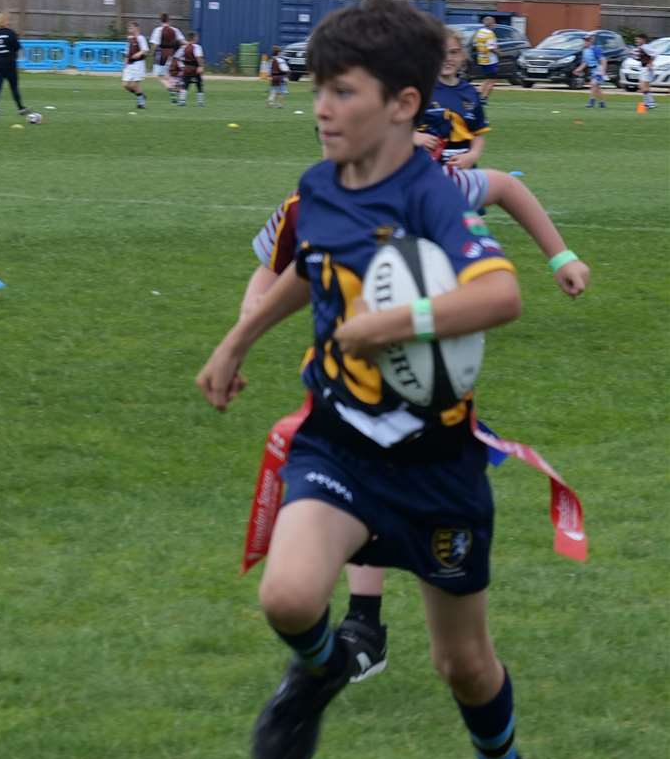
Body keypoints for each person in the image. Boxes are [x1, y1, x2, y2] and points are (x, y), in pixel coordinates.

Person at [197, 0, 537, 759]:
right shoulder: (317, 188)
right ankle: (320, 671)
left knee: (461, 665)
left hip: (436, 466)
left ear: (401, 104)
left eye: (342, 91)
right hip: (338, 440)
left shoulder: (432, 194)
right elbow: (306, 268)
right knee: (287, 598)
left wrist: (394, 324)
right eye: (318, 88)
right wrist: (237, 341)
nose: (320, 107)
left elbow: (499, 295)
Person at [240, 134, 591, 687]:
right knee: (351, 490)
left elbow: (501, 186)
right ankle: (362, 628)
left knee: (463, 659)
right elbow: (279, 264)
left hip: (430, 404)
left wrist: (561, 255)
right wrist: (247, 327)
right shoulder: (311, 199)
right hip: (349, 394)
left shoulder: (437, 189)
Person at [416, 30, 489, 167]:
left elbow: (478, 133)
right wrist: (414, 137)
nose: (447, 58)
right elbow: (392, 128)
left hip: (464, 173)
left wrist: (472, 155)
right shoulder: (420, 91)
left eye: (454, 52)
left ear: (463, 56)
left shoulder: (470, 92)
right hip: (426, 173)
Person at [0, 11, 23, 115]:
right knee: (14, 87)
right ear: (5, 21)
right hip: (9, 63)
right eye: (8, 19)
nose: (9, 21)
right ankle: (20, 108)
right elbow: (17, 47)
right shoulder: (10, 33)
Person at [151, 13, 184, 103]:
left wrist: (151, 53)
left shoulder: (158, 30)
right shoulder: (175, 30)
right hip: (172, 55)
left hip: (161, 55)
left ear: (160, 20)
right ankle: (177, 91)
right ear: (169, 20)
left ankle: (172, 90)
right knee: (169, 75)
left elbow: (155, 44)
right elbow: (183, 42)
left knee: (160, 76)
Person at [471, 15, 500, 100]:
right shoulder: (490, 34)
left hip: (482, 58)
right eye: (494, 22)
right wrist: (500, 53)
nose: (495, 24)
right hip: (490, 60)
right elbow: (491, 48)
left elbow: (475, 44)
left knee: (488, 79)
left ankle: (481, 96)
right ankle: (483, 96)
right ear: (492, 24)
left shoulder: (479, 32)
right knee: (491, 80)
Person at [123, 21, 149, 108]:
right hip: (130, 64)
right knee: (125, 85)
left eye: (131, 27)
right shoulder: (129, 38)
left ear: (136, 28)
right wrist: (125, 61)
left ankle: (141, 103)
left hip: (138, 64)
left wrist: (139, 53)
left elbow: (145, 50)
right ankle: (141, 95)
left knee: (134, 84)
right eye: (129, 28)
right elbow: (127, 51)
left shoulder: (141, 38)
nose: (129, 29)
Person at [175, 30, 206, 106]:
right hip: (195, 68)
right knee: (199, 84)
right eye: (196, 37)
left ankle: (182, 101)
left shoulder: (183, 47)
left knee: (185, 84)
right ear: (194, 38)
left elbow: (176, 57)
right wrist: (201, 66)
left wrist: (182, 65)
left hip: (187, 68)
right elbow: (198, 57)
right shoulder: (197, 47)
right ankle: (200, 102)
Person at [575, 36, 606, 108]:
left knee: (593, 84)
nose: (585, 42)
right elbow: (585, 62)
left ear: (591, 41)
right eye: (585, 40)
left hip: (598, 68)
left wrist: (603, 70)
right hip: (592, 70)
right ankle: (602, 102)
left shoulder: (595, 49)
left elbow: (603, 60)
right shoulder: (585, 51)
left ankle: (591, 101)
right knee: (596, 87)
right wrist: (578, 69)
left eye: (587, 41)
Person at [633, 33, 658, 110]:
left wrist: (650, 63)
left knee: (644, 87)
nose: (636, 40)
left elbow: (656, 53)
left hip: (646, 69)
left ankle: (650, 103)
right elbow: (641, 57)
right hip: (643, 68)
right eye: (636, 39)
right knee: (642, 87)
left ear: (643, 40)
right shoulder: (641, 47)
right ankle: (648, 104)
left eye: (638, 39)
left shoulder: (645, 47)